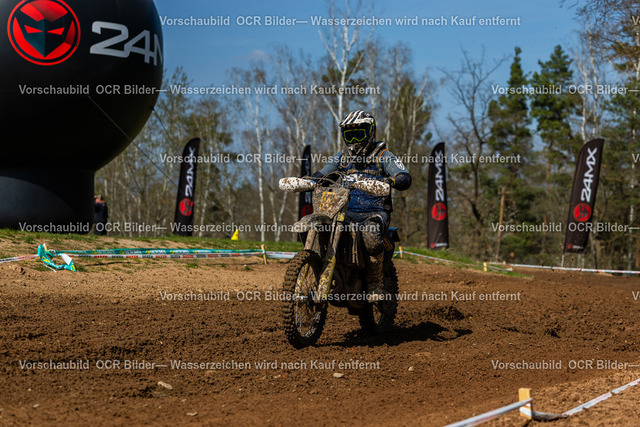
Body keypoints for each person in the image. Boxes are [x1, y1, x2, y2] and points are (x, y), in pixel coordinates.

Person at [311, 110, 412, 301]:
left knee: (370, 235)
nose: (354, 140)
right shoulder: (342, 157)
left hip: (374, 212)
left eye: (359, 133)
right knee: (322, 228)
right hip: (345, 212)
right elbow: (324, 173)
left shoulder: (383, 155)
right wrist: (311, 180)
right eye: (350, 135)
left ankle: (375, 284)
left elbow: (404, 176)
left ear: (371, 131)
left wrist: (393, 180)